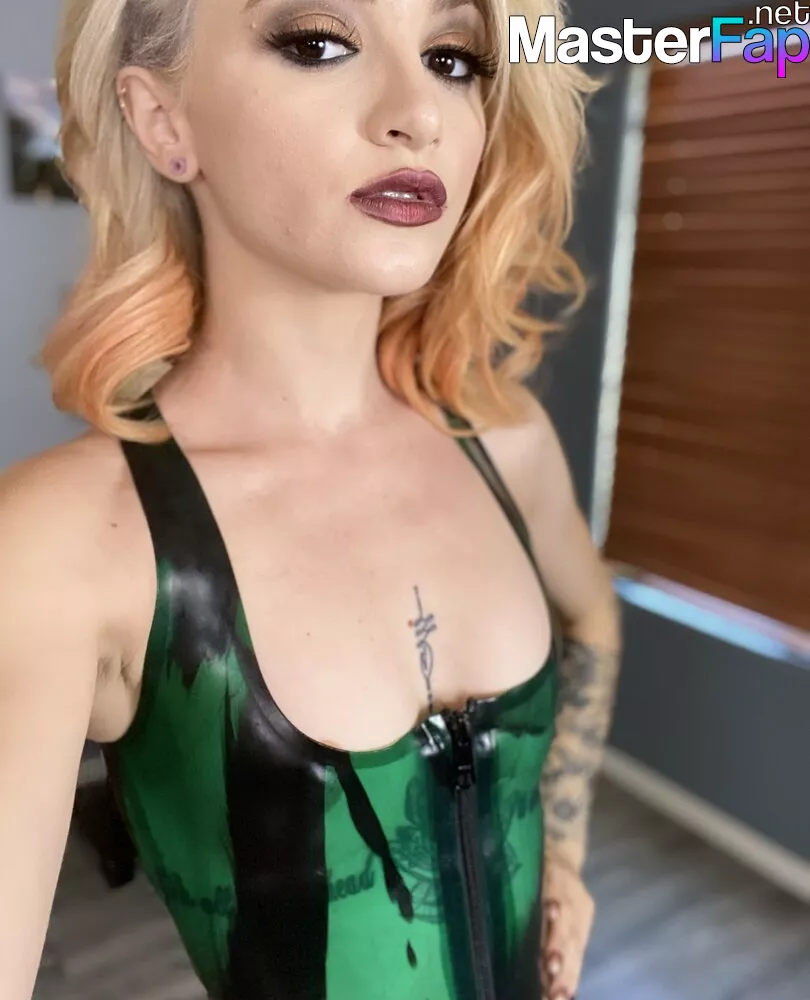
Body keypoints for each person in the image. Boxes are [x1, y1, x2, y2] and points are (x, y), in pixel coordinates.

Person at [0, 0, 621, 995]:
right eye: (320, 44)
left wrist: (565, 845)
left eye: (453, 58)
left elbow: (591, 616)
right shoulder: (62, 546)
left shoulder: (506, 442)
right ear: (164, 121)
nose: (419, 111)